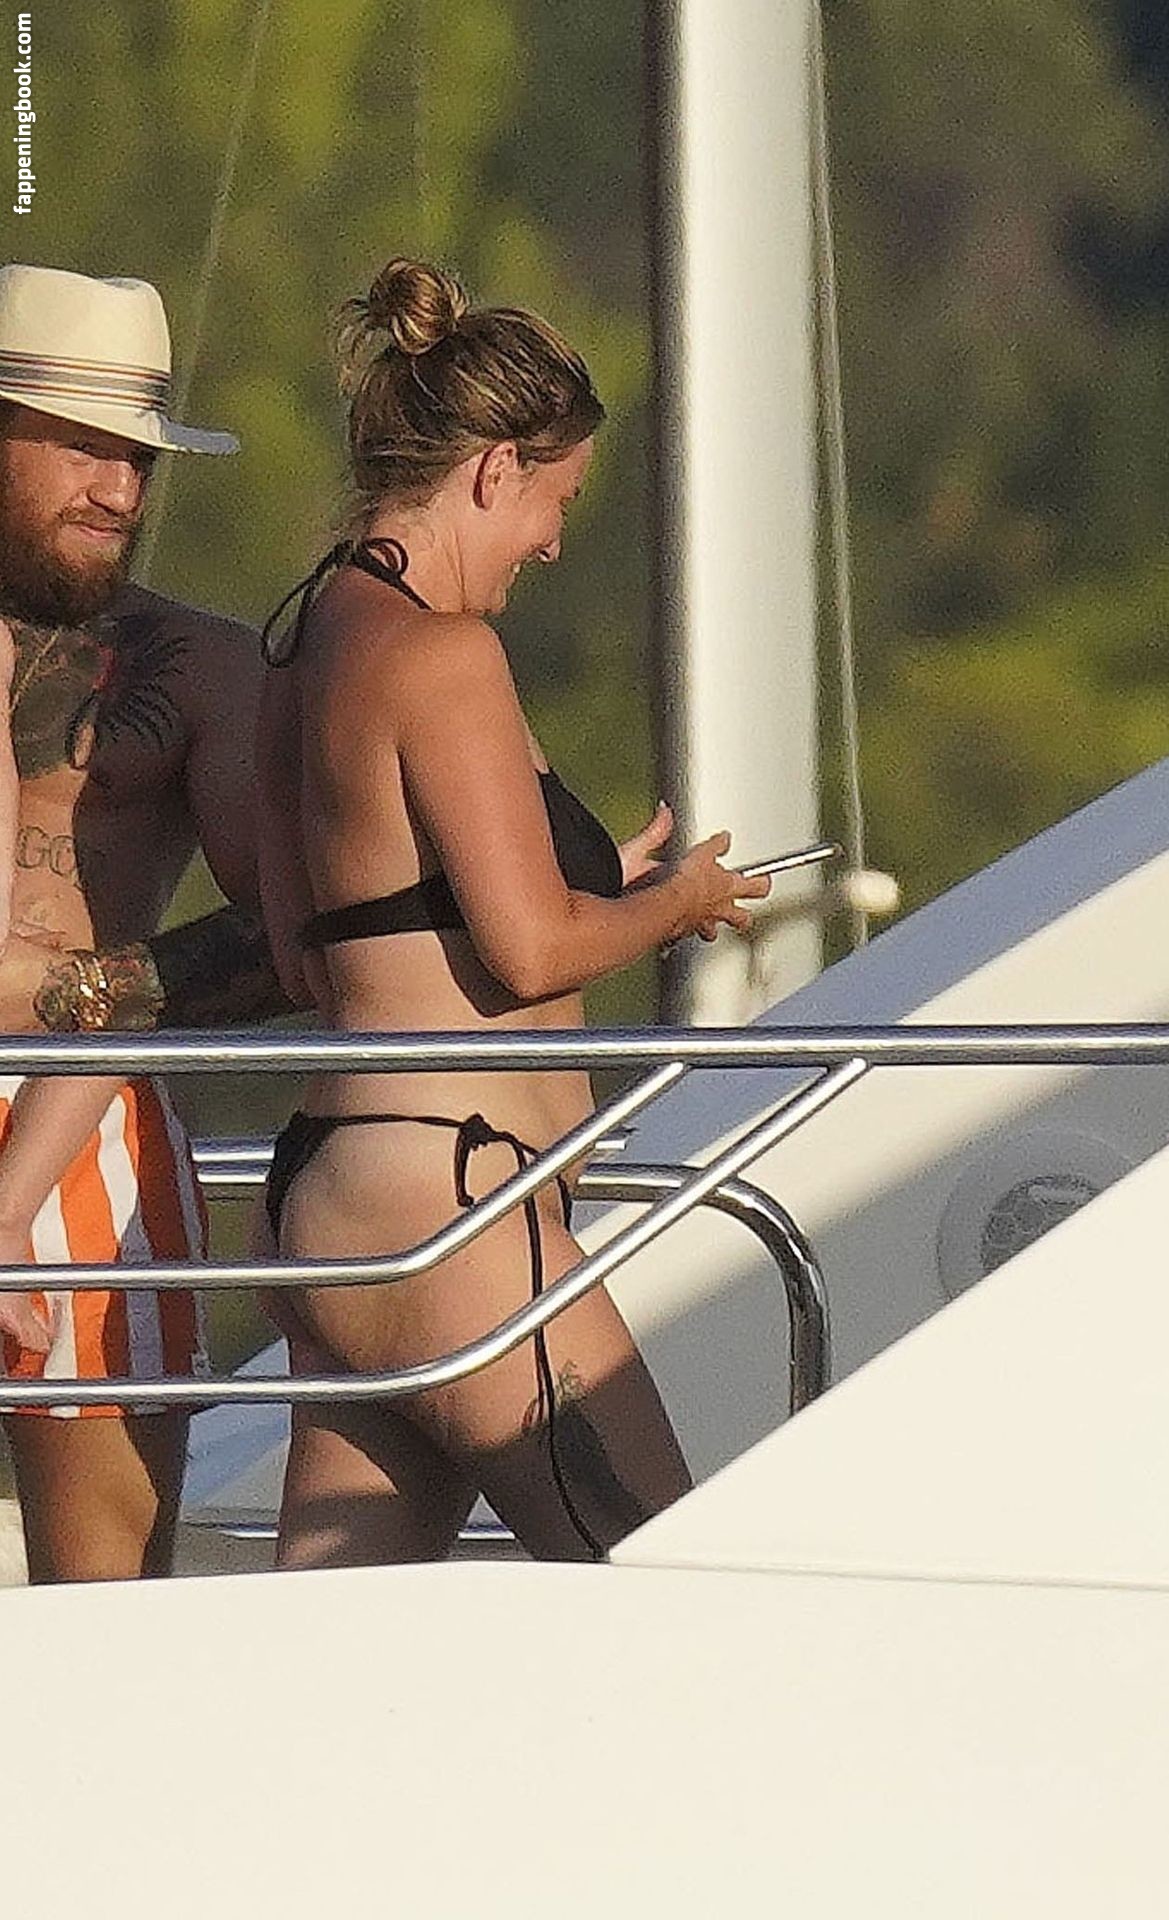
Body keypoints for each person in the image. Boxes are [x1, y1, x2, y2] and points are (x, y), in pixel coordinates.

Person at [257, 256, 770, 1566]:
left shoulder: (306, 644)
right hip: (453, 1207)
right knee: (661, 1581)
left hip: (344, 1189)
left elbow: (311, 954)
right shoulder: (445, 654)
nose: (550, 543)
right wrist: (676, 904)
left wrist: (604, 886)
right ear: (494, 471)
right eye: (556, 502)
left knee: (335, 1657)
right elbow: (529, 947)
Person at [0, 263, 285, 1583]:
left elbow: (288, 930)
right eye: (83, 446)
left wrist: (69, 999)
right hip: (87, 1067)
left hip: (90, 1117)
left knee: (104, 1595)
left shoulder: (203, 664)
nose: (120, 488)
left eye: (139, 455)